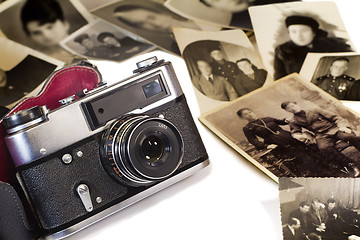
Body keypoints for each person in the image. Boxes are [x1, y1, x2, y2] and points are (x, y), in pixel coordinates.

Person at [281, 101, 360, 176]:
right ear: (288, 111)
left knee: (348, 136)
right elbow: (295, 131)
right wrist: (298, 135)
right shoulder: (294, 120)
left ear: (296, 104)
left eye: (292, 106)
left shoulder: (313, 109)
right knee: (324, 148)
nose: (293, 108)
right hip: (321, 135)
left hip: (334, 128)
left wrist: (342, 126)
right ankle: (351, 165)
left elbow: (336, 118)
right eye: (289, 109)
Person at [274, 15, 353, 80]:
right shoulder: (283, 51)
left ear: (314, 32)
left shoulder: (334, 46)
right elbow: (279, 79)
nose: (299, 36)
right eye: (293, 31)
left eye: (304, 31)